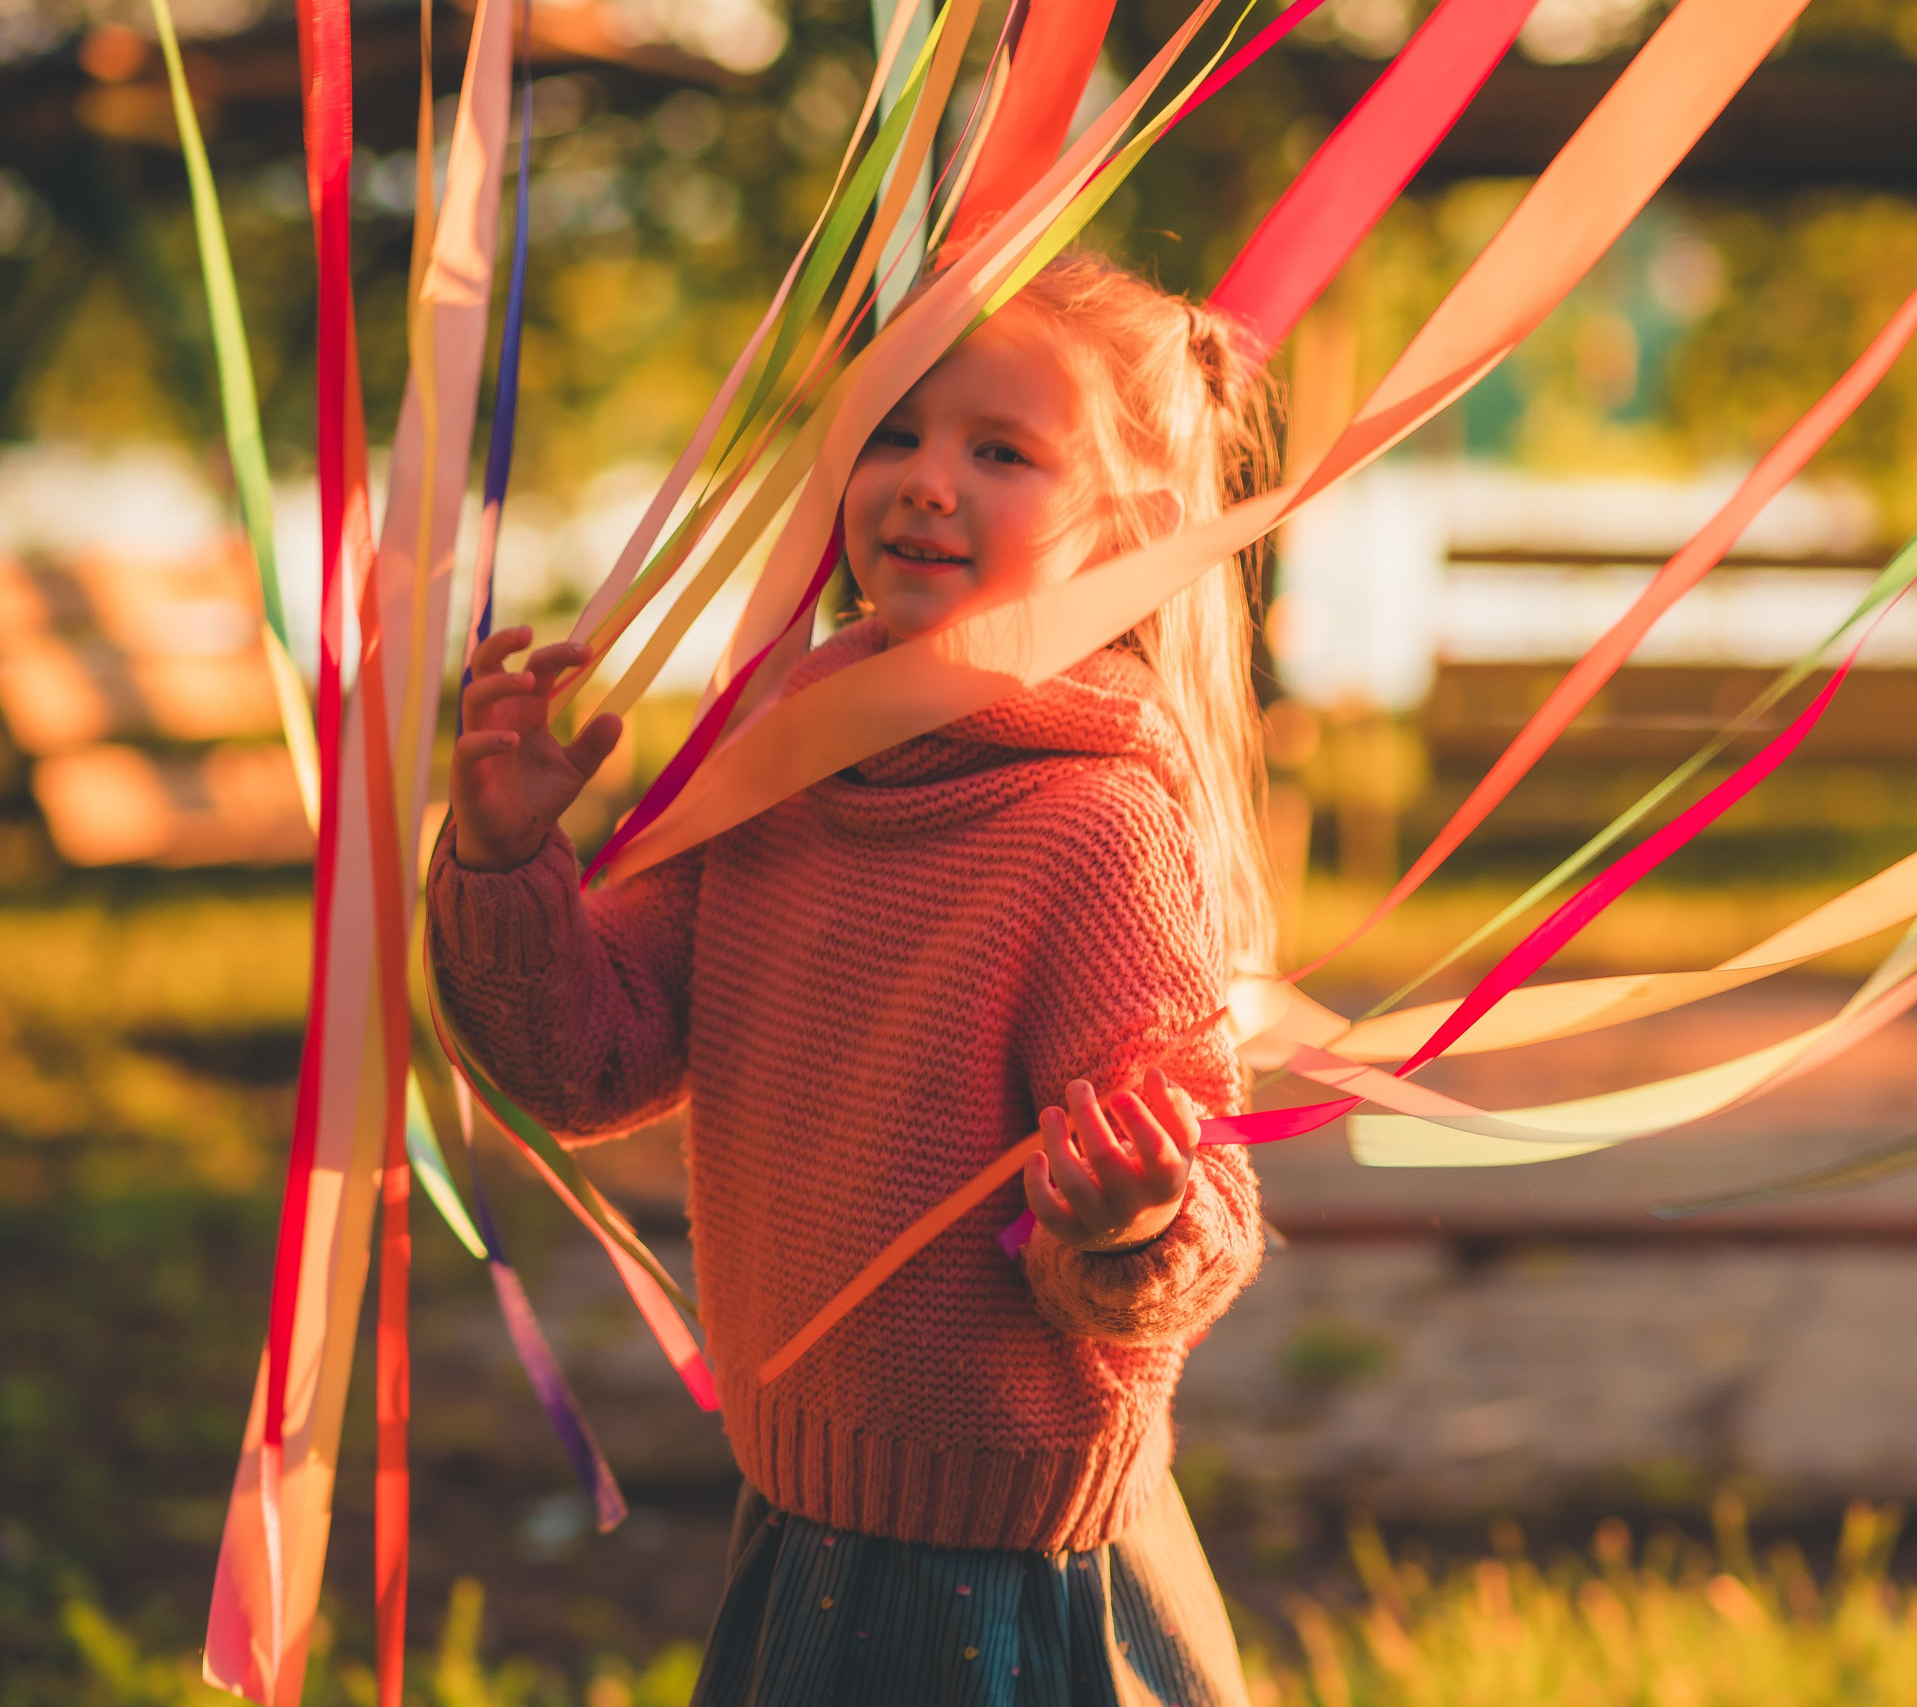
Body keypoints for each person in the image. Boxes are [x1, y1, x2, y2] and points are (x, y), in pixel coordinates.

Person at [428, 248, 1280, 1706]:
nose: (924, 480)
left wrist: (1132, 1215)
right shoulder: (778, 755)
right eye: (894, 429)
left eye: (997, 449)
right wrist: (510, 861)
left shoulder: (1093, 830)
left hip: (1011, 1571)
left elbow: (1192, 1213)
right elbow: (594, 1063)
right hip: (806, 1510)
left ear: (1128, 530)